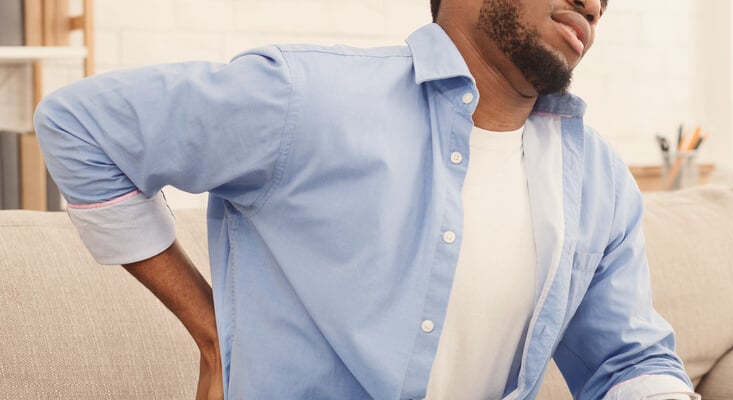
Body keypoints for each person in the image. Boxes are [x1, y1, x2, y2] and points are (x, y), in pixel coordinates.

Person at [33, 0, 697, 399]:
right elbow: (79, 127)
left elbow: (628, 360)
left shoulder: (599, 180)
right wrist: (216, 336)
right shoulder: (310, 99)